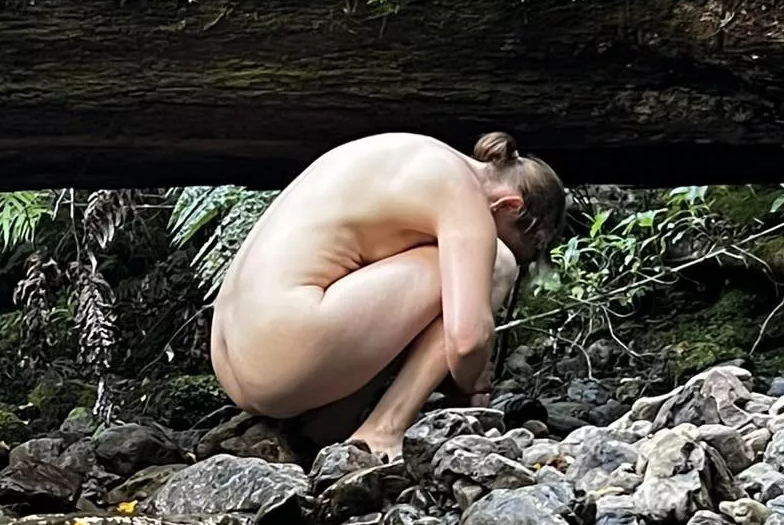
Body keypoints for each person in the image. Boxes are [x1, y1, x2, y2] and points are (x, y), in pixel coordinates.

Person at [210, 131, 567, 457]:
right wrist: (470, 381)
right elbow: (466, 341)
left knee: (450, 275)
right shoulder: (462, 192)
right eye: (519, 242)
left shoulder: (416, 151)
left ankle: (328, 421)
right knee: (496, 264)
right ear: (509, 206)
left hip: (233, 355)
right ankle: (384, 428)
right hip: (280, 357)